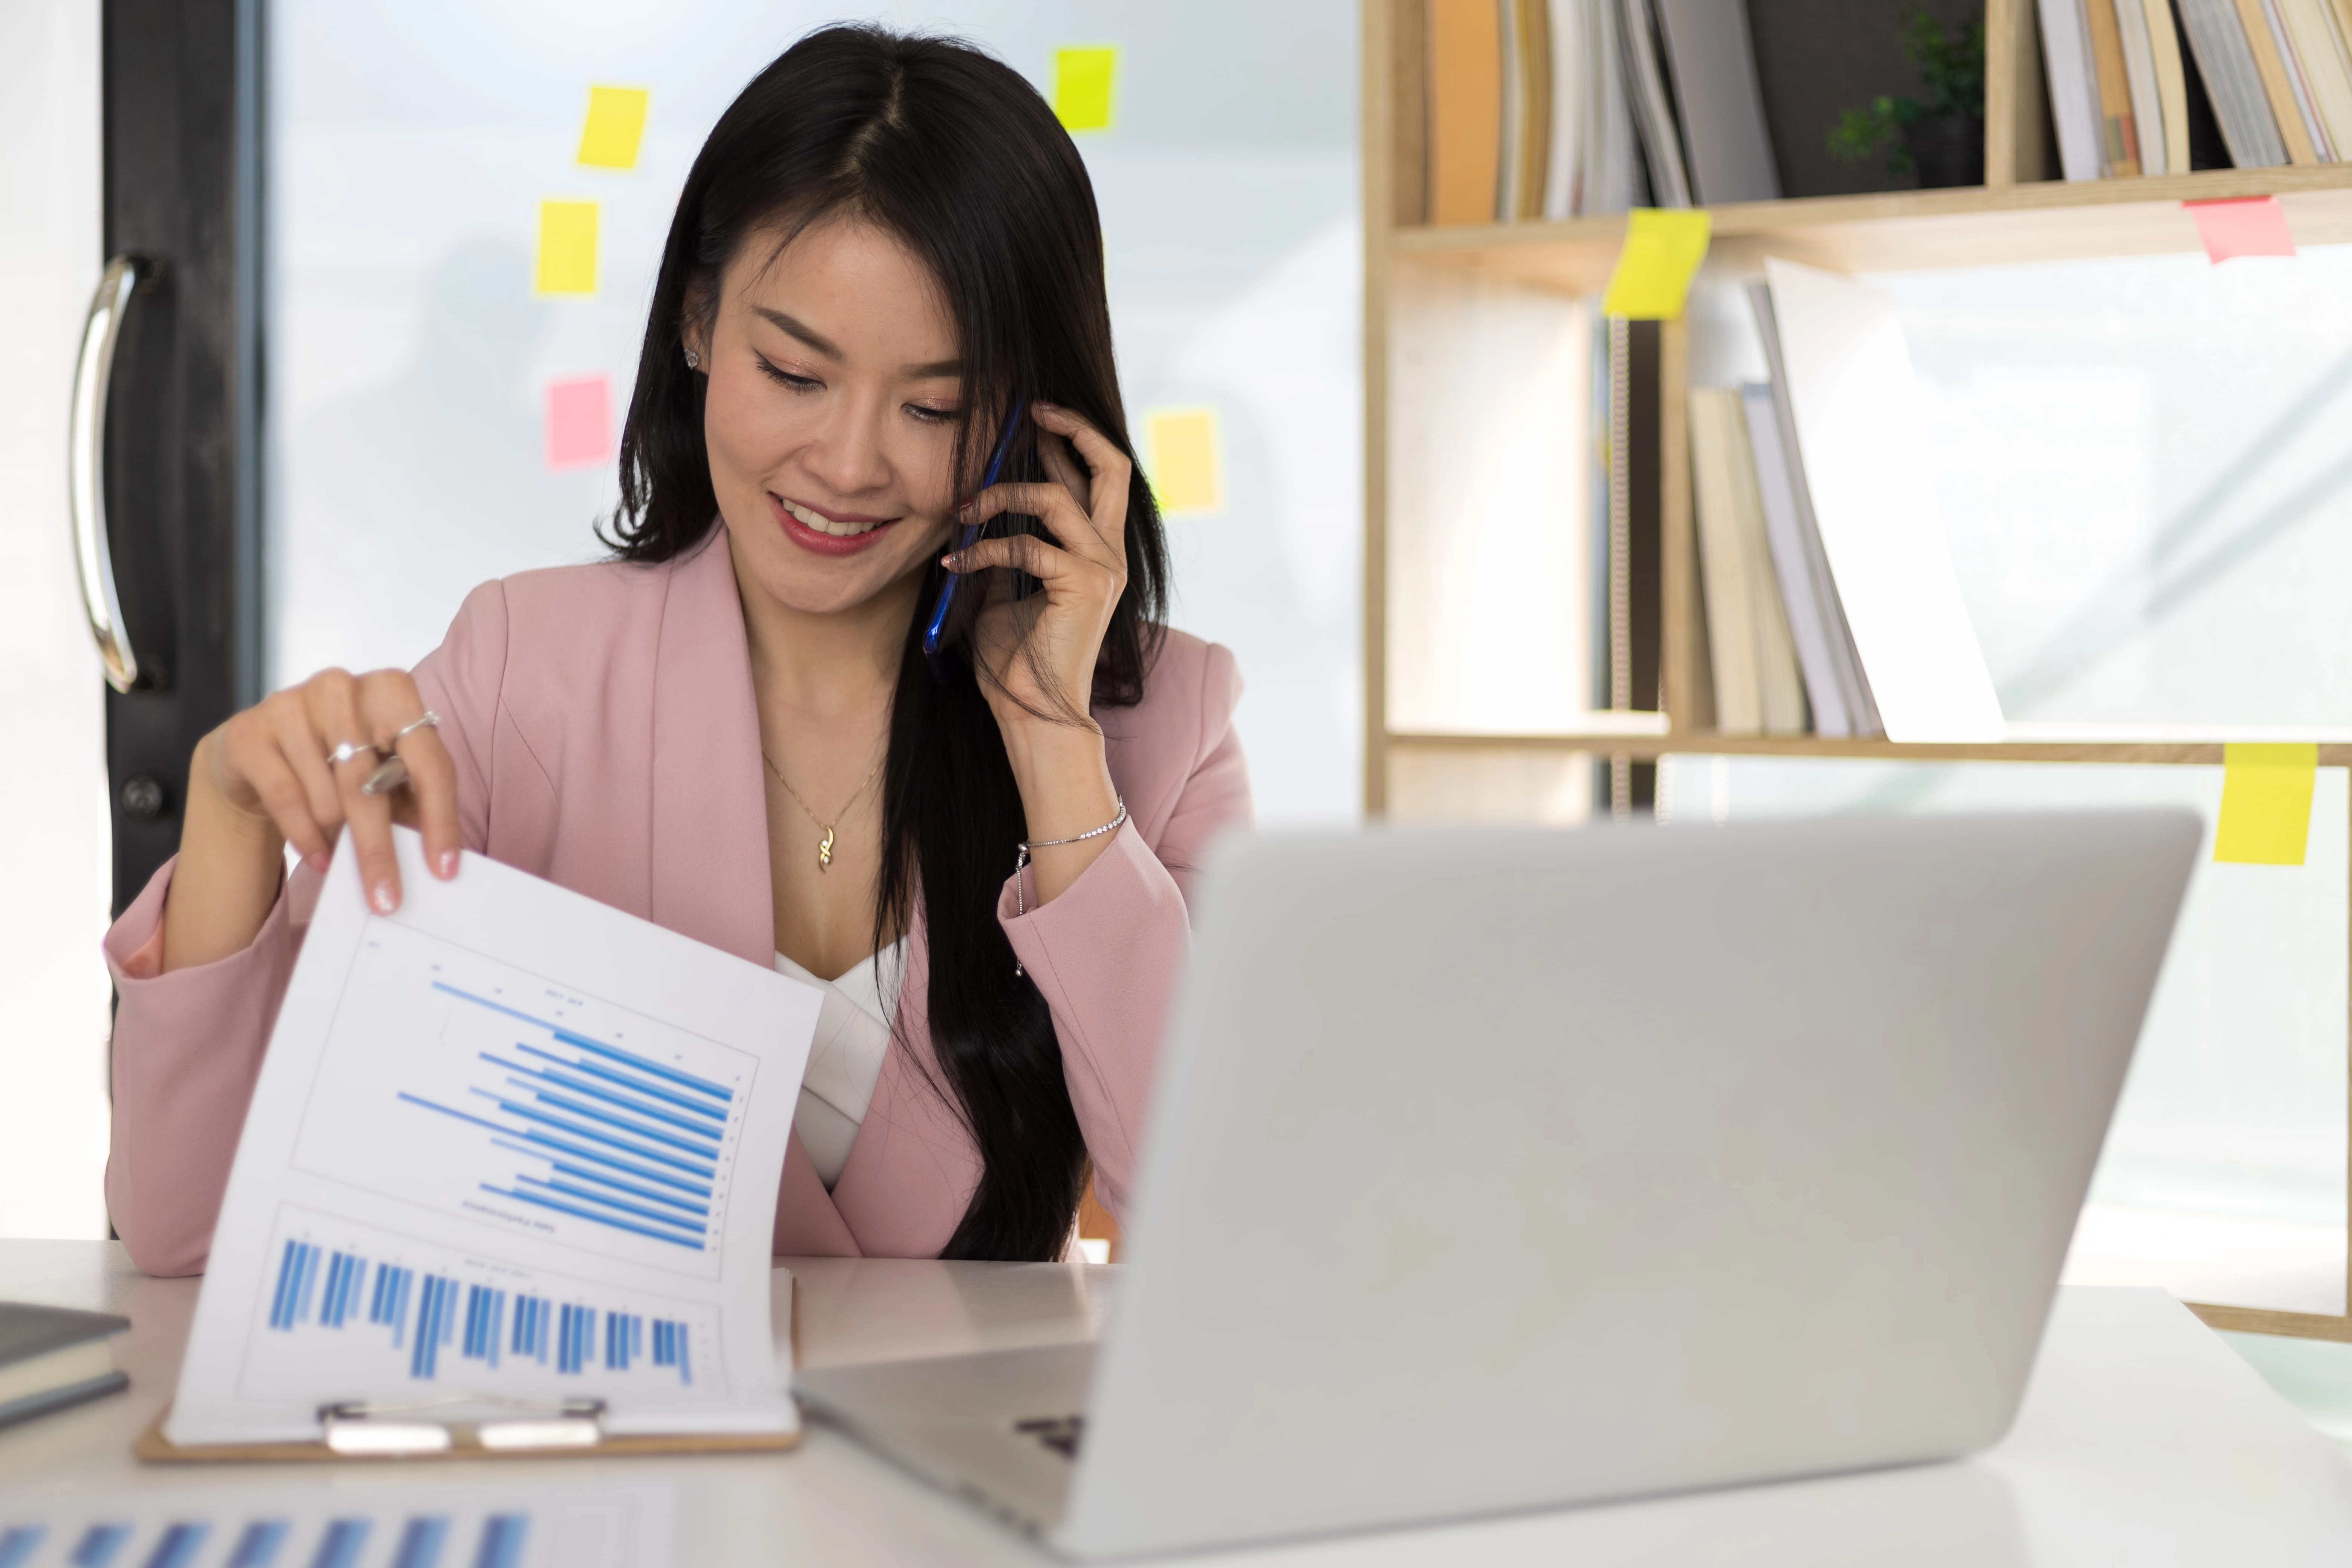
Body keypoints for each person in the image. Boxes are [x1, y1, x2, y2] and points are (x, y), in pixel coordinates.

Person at [100, 26, 1250, 1275]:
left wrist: (1055, 750)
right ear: (698, 322)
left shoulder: (1164, 725)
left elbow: (1232, 1232)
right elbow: (190, 1232)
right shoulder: (521, 676)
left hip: (990, 1418)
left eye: (935, 405)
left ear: (1031, 414)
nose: (848, 465)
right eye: (794, 373)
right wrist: (228, 811)